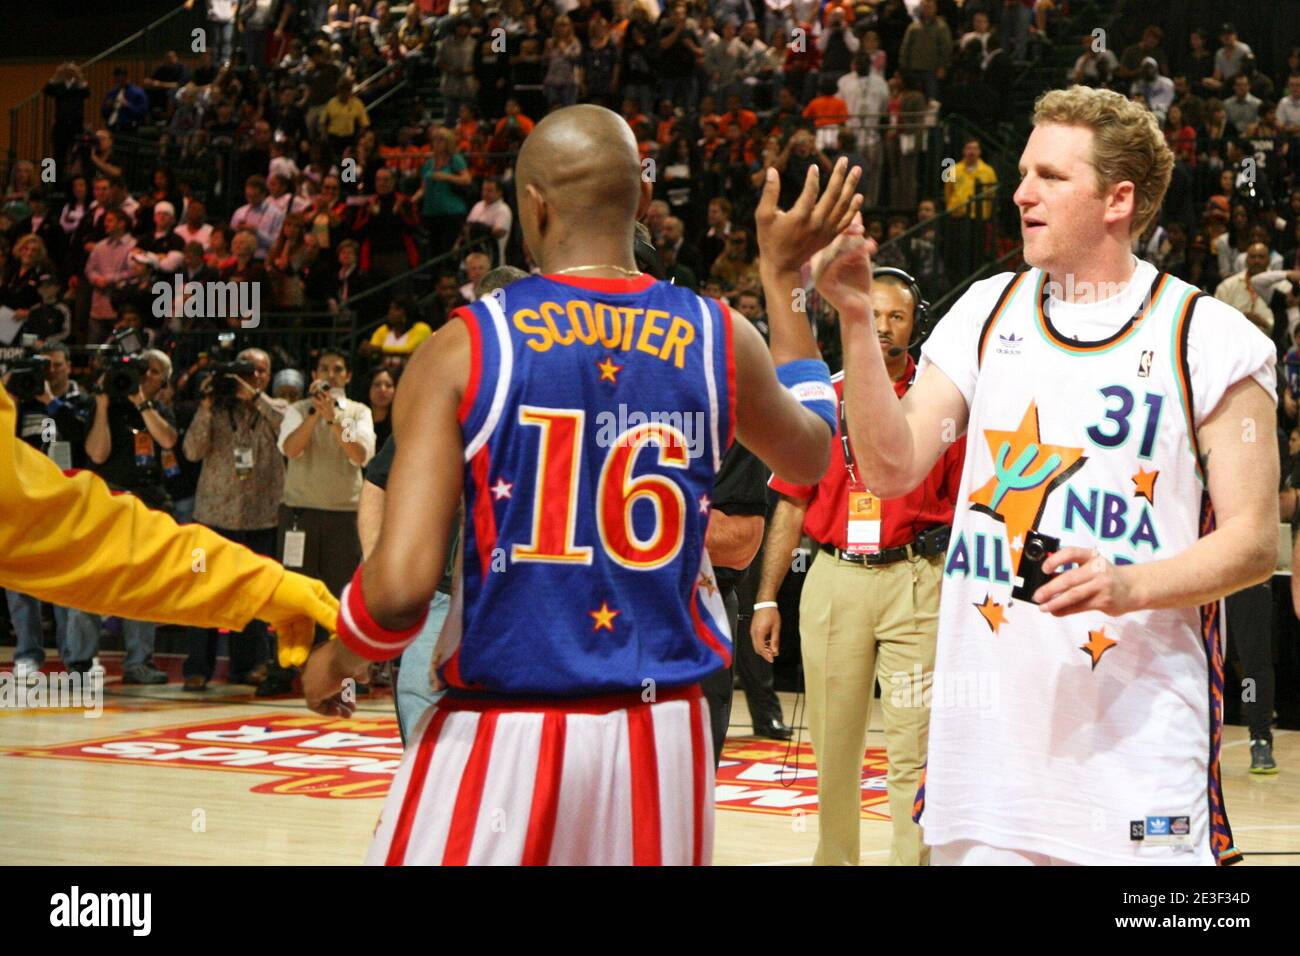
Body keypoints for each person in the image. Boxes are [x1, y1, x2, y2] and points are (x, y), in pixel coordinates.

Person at [300, 104, 862, 865]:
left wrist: (334, 661)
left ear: (532, 205)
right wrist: (784, 280)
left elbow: (400, 589)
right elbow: (814, 457)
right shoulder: (719, 335)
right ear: (637, 198)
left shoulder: (464, 344)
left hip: (504, 726)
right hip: (664, 739)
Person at [816, 85, 1278, 866]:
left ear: (1118, 199)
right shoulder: (983, 312)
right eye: (1024, 172)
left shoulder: (1209, 336)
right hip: (986, 760)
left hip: (1138, 755)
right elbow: (891, 468)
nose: (1022, 192)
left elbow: (1255, 543)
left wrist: (1130, 585)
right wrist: (858, 322)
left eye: (1052, 177)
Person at [753, 268, 965, 866]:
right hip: (834, 578)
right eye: (871, 315)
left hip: (917, 577)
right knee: (834, 746)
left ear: (916, 326)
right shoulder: (824, 398)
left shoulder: (941, 402)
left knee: (912, 748)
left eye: (895, 316)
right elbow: (791, 500)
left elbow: (972, 504)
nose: (882, 327)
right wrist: (767, 597)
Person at [263, 349, 375, 695]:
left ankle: (344, 673)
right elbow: (291, 450)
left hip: (343, 515)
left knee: (340, 596)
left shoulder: (358, 411)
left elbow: (359, 454)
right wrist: (314, 415)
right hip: (300, 514)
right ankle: (286, 668)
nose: (331, 374)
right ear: (314, 373)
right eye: (325, 368)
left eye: (337, 369)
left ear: (348, 376)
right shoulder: (297, 410)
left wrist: (334, 419)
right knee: (292, 593)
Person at [181, 349, 287, 690]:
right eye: (246, 370)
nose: (253, 375)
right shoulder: (215, 408)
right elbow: (192, 451)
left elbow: (290, 438)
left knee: (255, 594)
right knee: (206, 594)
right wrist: (208, 404)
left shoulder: (278, 407)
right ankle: (197, 667)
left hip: (262, 515)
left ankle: (250, 664)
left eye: (260, 370)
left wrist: (255, 397)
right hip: (214, 514)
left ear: (269, 376)